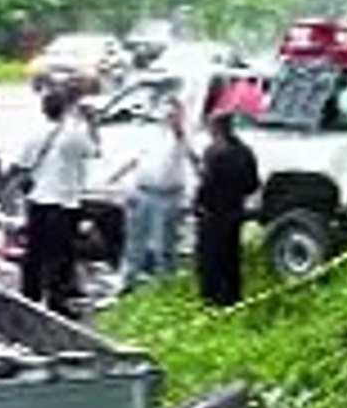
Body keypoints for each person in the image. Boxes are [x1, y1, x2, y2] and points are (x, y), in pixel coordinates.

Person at [16, 88, 100, 317]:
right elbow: (94, 151)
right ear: (64, 109)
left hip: (37, 199)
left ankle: (29, 295)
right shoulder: (73, 134)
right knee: (59, 254)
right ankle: (56, 300)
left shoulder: (34, 133)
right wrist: (92, 123)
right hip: (63, 201)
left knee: (34, 251)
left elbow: (23, 164)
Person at [108, 95, 198, 291]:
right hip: (142, 191)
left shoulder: (184, 136)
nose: (168, 116)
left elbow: (189, 152)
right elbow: (136, 158)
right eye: (165, 112)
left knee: (164, 244)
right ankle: (127, 281)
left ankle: (166, 285)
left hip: (167, 195)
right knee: (134, 241)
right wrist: (116, 177)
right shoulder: (150, 133)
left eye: (173, 113)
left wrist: (178, 127)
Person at [194, 110, 260, 307]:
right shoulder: (245, 151)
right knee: (231, 256)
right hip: (234, 210)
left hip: (213, 213)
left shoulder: (213, 152)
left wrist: (197, 204)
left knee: (209, 258)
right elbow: (253, 184)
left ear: (215, 128)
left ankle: (211, 299)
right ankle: (233, 297)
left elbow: (206, 184)